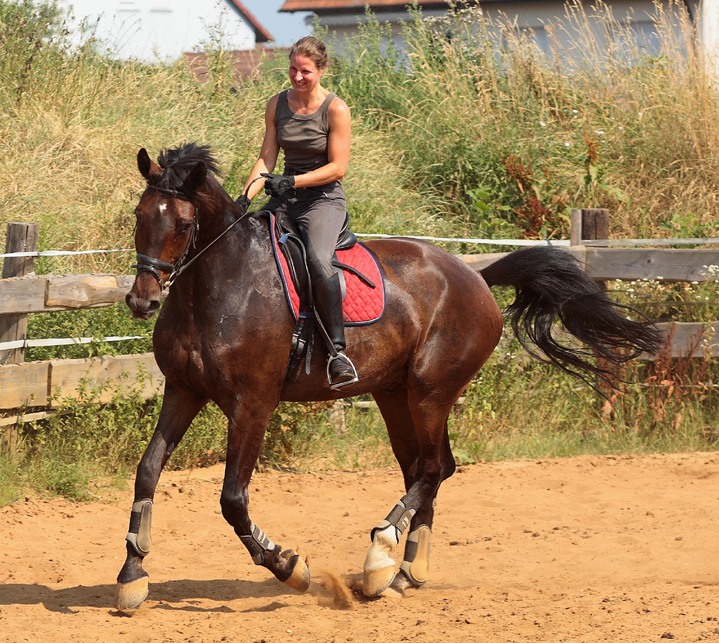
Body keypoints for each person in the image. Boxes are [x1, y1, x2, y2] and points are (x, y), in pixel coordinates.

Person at [241, 36, 357, 390]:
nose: (297, 77)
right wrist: (245, 197)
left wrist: (292, 182)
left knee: (318, 260)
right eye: (292, 69)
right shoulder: (276, 104)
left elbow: (338, 168)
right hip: (284, 197)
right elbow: (266, 158)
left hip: (322, 201)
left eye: (305, 71)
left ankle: (337, 351)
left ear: (322, 70)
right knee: (247, 247)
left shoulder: (336, 109)